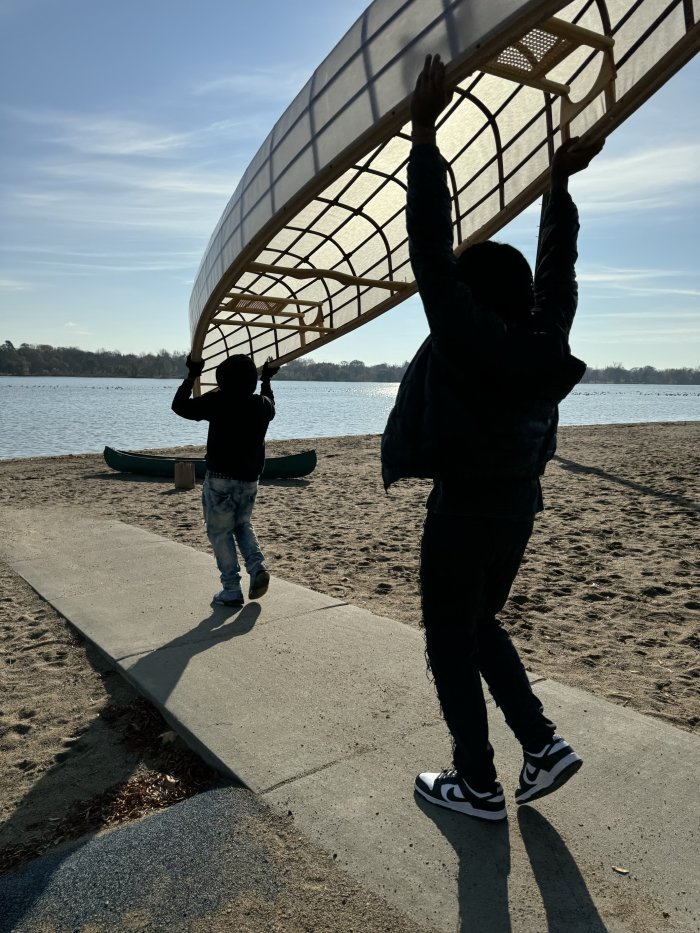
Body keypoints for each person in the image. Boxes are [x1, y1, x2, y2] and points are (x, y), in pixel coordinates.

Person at [381, 54, 604, 821]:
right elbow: (559, 273)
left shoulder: (468, 334)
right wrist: (559, 184)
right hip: (518, 506)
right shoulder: (544, 339)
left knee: (449, 635)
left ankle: (475, 781)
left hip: (464, 507)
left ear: (472, 297)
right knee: (479, 623)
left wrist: (422, 134)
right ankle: (540, 745)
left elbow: (429, 250)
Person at [172, 352, 279, 607]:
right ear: (251, 381)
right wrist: (266, 380)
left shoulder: (218, 400)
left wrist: (193, 374)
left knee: (219, 533)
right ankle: (257, 567)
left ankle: (231, 589)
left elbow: (179, 406)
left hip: (220, 478)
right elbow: (271, 404)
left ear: (222, 378)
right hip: (250, 480)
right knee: (242, 525)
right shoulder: (261, 405)